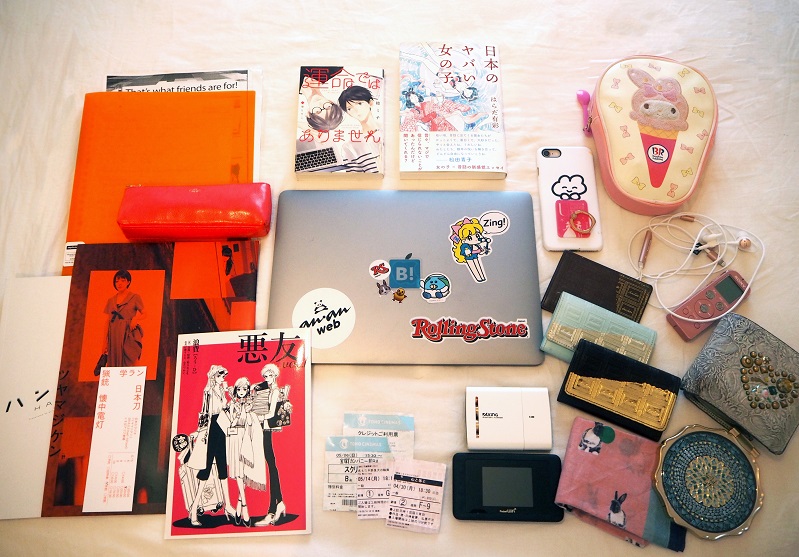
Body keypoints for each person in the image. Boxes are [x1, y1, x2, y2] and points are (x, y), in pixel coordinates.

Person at [188, 365, 237, 526]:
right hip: (211, 428)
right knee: (206, 468)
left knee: (222, 466)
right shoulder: (208, 391)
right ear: (214, 376)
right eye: (220, 376)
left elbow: (225, 408)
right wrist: (200, 431)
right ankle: (194, 508)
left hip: (221, 426)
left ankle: (228, 505)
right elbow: (205, 412)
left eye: (223, 376)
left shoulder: (221, 390)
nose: (223, 378)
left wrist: (229, 395)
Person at [225, 376, 266, 527]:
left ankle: (238, 507)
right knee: (239, 473)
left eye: (244, 389)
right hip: (235, 439)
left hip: (247, 439)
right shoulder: (231, 404)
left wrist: (247, 413)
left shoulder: (250, 404)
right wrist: (238, 415)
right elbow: (230, 422)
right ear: (236, 390)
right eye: (239, 389)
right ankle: (244, 507)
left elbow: (251, 421)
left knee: (244, 472)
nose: (242, 391)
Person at [251, 363, 287, 526]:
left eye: (270, 375)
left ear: (275, 375)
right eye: (265, 376)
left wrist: (257, 417)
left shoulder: (275, 391)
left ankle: (273, 508)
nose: (267, 378)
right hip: (261, 429)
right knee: (270, 464)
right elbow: (256, 388)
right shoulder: (265, 389)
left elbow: (271, 413)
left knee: (271, 465)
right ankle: (279, 504)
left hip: (265, 428)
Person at [102, 270, 145, 367]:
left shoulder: (135, 297)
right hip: (114, 334)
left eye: (123, 280)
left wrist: (135, 319)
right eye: (117, 281)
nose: (119, 283)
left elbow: (145, 313)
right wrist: (104, 342)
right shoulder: (111, 300)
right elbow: (107, 321)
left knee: (131, 359)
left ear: (128, 282)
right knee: (113, 363)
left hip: (128, 332)